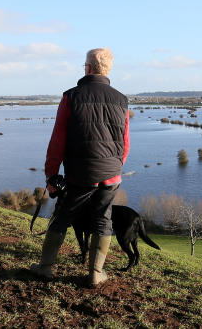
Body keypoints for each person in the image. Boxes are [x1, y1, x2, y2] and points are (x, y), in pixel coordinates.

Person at [31, 48, 130, 287]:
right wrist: (115, 167)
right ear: (107, 70)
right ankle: (96, 273)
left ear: (87, 67)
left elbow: (57, 141)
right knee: (103, 219)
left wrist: (51, 176)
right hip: (111, 175)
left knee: (62, 217)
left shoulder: (71, 97)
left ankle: (45, 268)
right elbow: (125, 144)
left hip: (80, 175)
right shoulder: (121, 99)